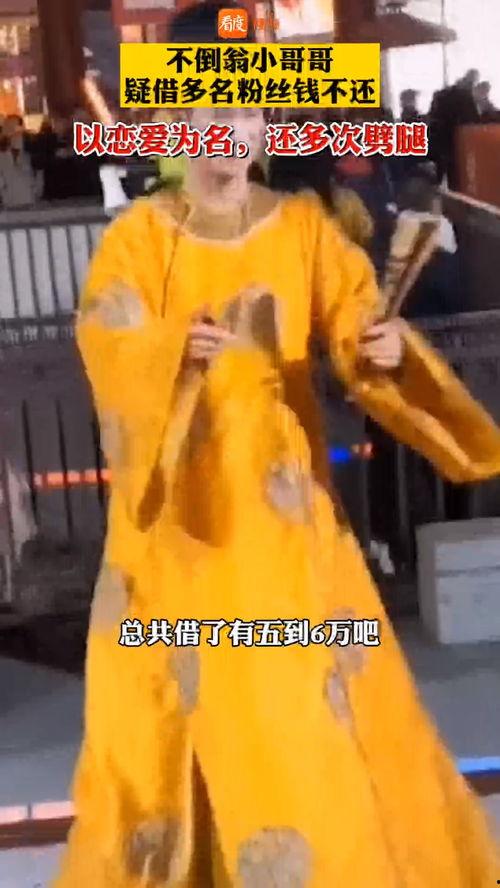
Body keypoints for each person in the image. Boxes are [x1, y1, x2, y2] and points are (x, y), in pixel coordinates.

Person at [54, 5, 500, 885]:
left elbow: (357, 324)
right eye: (206, 112)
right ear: (175, 123)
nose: (227, 132)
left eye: (245, 110)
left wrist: (383, 350)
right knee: (161, 735)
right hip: (176, 534)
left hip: (286, 528)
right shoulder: (138, 239)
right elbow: (108, 339)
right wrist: (169, 354)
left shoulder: (304, 229)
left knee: (299, 723)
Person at [429, 69, 480, 188]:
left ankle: (440, 189)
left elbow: (432, 115)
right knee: (457, 175)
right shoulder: (466, 96)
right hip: (458, 138)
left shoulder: (441, 94)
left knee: (442, 171)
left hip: (439, 137)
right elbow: (473, 120)